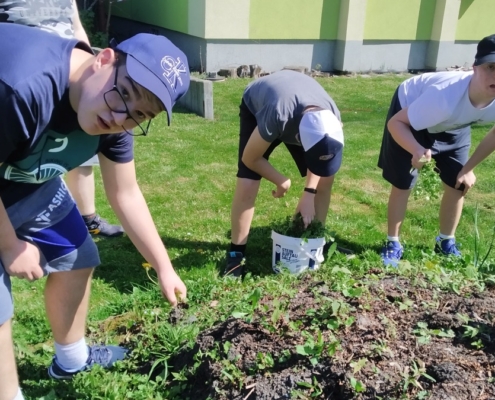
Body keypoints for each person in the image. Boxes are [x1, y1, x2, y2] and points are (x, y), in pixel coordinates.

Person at [0, 23, 190, 400]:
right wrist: (10, 246)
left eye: (140, 114)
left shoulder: (116, 115)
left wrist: (164, 267)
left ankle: (70, 361)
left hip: (22, 179)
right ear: (103, 58)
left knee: (77, 255)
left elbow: (126, 193)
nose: (121, 117)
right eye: (125, 94)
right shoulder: (20, 87)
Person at [0, 0, 124, 237]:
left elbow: (76, 27)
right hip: (29, 85)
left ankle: (88, 218)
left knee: (80, 154)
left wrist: (89, 73)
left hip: (70, 82)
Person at [377, 33, 495, 267]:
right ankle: (393, 242)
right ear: (474, 68)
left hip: (455, 122)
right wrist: (416, 148)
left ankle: (445, 241)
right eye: (491, 67)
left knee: (458, 183)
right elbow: (396, 124)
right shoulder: (444, 97)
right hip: (411, 113)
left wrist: (467, 169)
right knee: (403, 181)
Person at [224, 69, 345, 277]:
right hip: (260, 104)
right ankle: (236, 254)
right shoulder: (278, 114)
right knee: (248, 182)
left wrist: (309, 192)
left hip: (300, 104)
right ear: (298, 138)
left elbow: (321, 165)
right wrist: (281, 181)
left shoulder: (331, 118)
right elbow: (250, 158)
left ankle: (316, 241)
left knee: (325, 179)